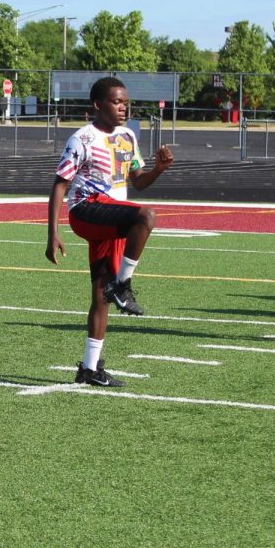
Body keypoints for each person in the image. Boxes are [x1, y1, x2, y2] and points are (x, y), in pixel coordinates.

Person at [46, 76, 173, 386]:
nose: (123, 108)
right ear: (98, 105)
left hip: (112, 217)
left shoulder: (127, 136)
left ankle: (89, 369)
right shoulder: (83, 138)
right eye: (116, 102)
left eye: (125, 103)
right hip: (87, 208)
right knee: (146, 216)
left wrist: (158, 169)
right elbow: (60, 184)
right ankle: (123, 284)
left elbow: (137, 181)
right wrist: (53, 232)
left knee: (100, 296)